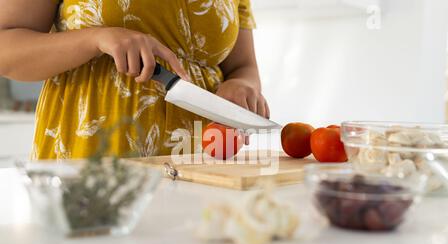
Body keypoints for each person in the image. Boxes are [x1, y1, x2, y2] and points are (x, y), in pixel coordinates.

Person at [0, 0, 269, 159]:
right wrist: (96, 39)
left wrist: (242, 85)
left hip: (203, 164)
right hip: (96, 159)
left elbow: (243, 66)